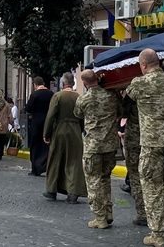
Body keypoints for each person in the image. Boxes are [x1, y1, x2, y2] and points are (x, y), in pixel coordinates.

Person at [126, 48, 164, 247]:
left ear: (143, 65)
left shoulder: (139, 83)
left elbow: (127, 97)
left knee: (151, 185)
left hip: (152, 142)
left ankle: (158, 233)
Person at [74, 69, 119, 229]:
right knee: (106, 179)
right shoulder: (111, 95)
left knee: (93, 181)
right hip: (110, 144)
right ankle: (108, 213)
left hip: (93, 145)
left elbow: (78, 114)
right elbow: (120, 111)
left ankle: (100, 218)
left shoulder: (83, 98)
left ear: (84, 83)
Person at [42, 73, 87, 204]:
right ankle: (73, 193)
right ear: (72, 83)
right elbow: (82, 116)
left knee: (55, 160)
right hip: (75, 131)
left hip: (60, 130)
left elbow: (51, 116)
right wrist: (81, 129)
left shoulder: (58, 96)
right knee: (73, 161)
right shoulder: (78, 97)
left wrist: (47, 133)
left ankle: (52, 190)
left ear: (63, 83)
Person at [121, 93, 147, 227]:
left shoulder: (135, 88)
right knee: (163, 178)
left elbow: (122, 111)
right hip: (158, 137)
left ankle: (143, 213)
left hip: (135, 138)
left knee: (135, 175)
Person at [24, 76, 54, 176]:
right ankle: (46, 166)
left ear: (35, 84)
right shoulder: (51, 94)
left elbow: (28, 108)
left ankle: (35, 168)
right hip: (48, 122)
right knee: (46, 144)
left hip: (36, 122)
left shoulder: (34, 94)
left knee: (35, 145)